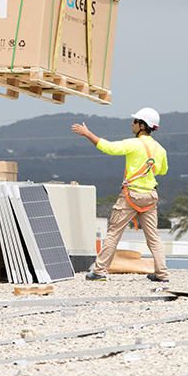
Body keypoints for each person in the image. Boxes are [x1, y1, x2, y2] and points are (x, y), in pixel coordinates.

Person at [71, 107, 170, 282]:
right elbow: (162, 170)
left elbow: (108, 148)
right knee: (153, 237)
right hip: (150, 197)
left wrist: (87, 133)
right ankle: (162, 273)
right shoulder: (160, 149)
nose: (131, 124)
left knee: (114, 233)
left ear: (141, 125)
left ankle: (99, 271)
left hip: (130, 196)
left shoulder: (134, 144)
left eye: (134, 121)